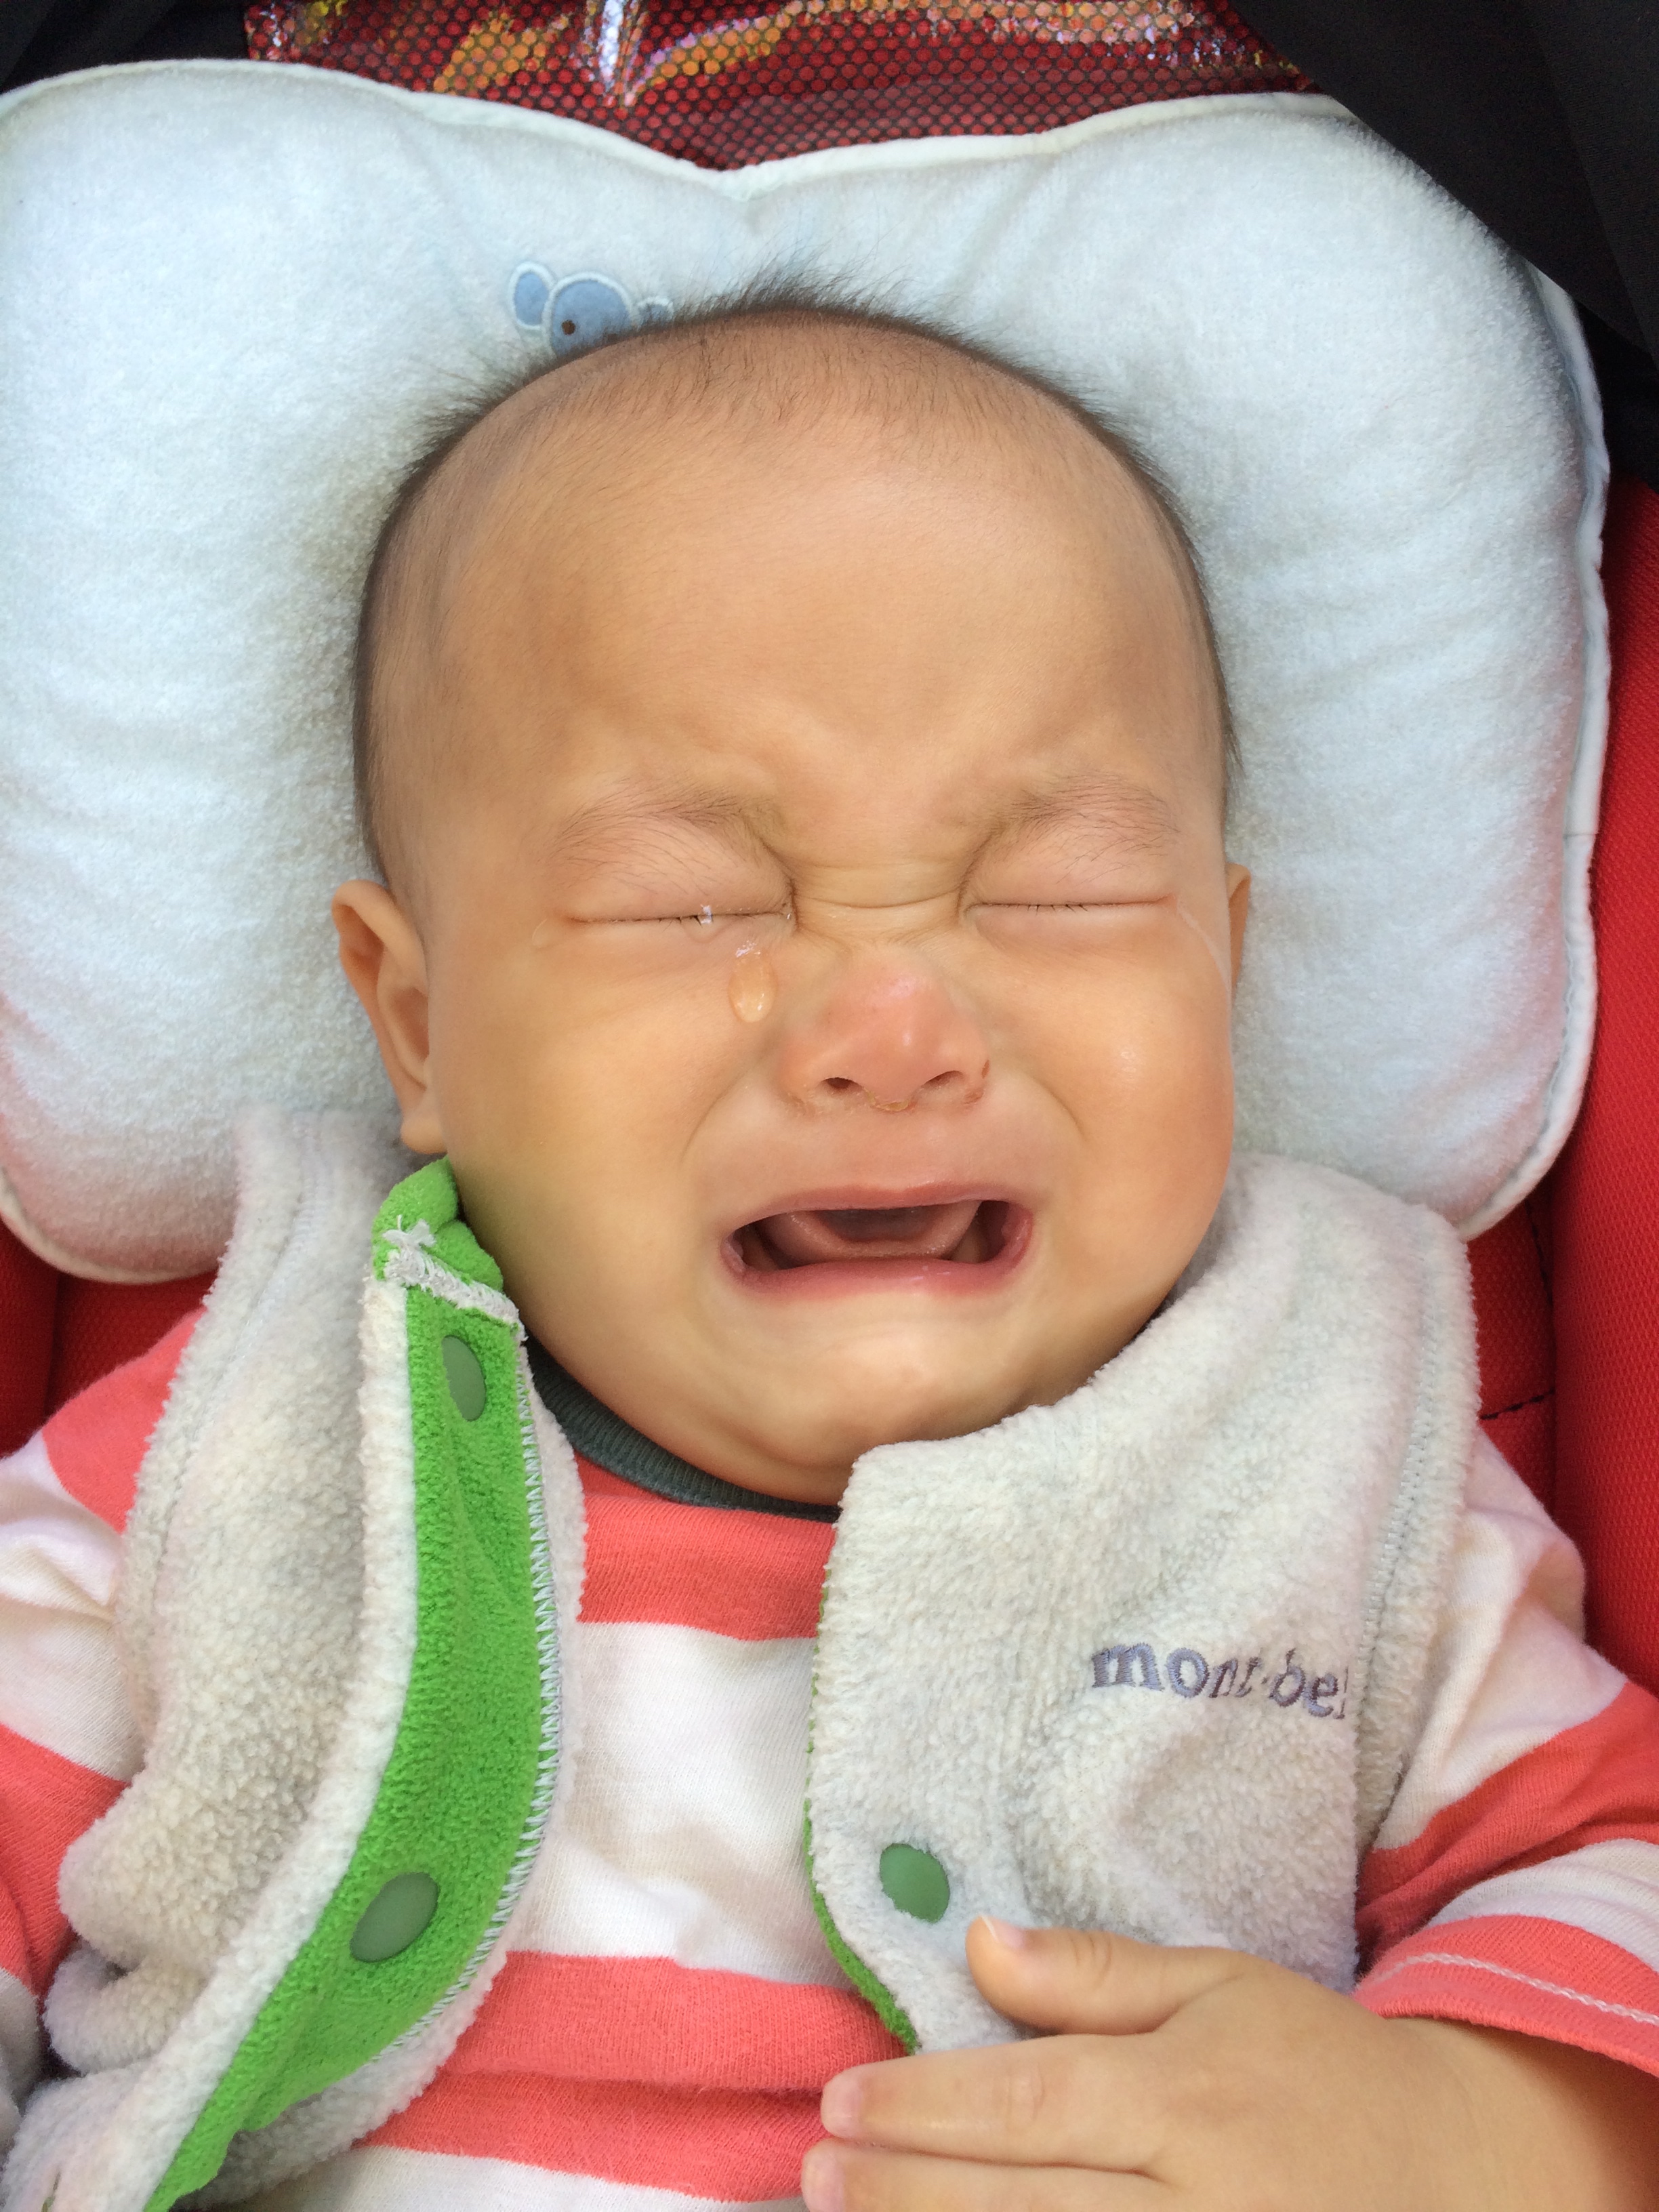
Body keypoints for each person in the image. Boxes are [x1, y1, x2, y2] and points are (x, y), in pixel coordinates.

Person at [5, 300, 1659, 2212]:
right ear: (422, 1025)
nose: (891, 1029)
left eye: (1057, 891)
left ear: (1224, 957)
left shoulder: (1329, 1451)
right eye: (692, 902)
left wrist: (1454, 2130)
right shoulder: (246, 1432)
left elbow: (1607, 1871)